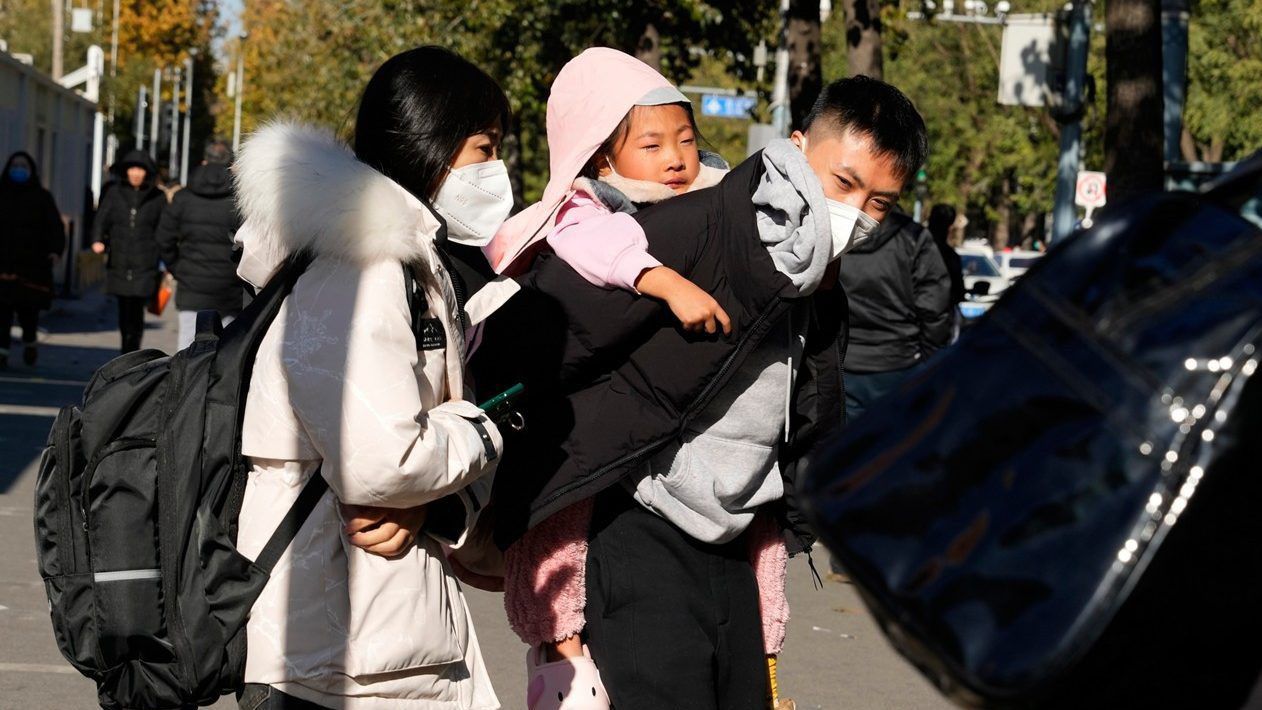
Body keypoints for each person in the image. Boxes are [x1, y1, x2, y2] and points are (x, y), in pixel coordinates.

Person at [483, 75, 929, 710]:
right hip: (641, 528)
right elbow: (554, 347)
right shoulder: (689, 225)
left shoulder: (819, 287)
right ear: (796, 150)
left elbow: (803, 419)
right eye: (843, 184)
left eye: (880, 204)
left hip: (738, 541)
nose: (854, 215)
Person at [482, 48, 796, 710]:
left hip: (733, 508)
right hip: (634, 517)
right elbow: (595, 245)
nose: (676, 159)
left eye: (686, 139)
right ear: (601, 157)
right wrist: (664, 279)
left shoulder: (724, 207)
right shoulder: (586, 214)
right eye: (651, 144)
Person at [231, 46, 515, 709]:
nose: (495, 169)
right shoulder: (365, 265)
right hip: (342, 643)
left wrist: (441, 503)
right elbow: (384, 463)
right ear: (430, 143)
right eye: (484, 147)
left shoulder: (396, 258)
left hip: (366, 634)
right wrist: (481, 422)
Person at [837, 207, 952, 421]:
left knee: (849, 445)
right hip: (898, 361)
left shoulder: (837, 231)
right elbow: (935, 309)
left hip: (845, 362)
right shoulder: (912, 237)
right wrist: (929, 358)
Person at [156, 139, 245, 349]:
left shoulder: (183, 198)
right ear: (230, 164)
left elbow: (163, 238)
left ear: (204, 161)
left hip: (191, 285)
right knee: (225, 348)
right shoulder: (239, 202)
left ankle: (186, 382)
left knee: (187, 346)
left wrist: (177, 268)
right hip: (229, 287)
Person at [92, 150, 165, 353]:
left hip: (146, 262)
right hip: (120, 260)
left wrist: (164, 256)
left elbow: (164, 228)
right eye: (132, 169)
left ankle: (134, 348)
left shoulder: (157, 197)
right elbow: (102, 219)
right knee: (124, 308)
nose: (136, 173)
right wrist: (98, 240)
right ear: (126, 171)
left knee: (138, 309)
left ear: (147, 173)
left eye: (140, 170)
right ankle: (126, 348)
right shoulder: (114, 193)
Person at [0, 151, 66, 368]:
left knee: (28, 313)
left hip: (32, 267)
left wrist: (55, 251)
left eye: (23, 166)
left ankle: (30, 343)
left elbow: (55, 227)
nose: (19, 170)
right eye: (15, 166)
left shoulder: (41, 197)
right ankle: (2, 353)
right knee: (2, 314)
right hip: (3, 265)